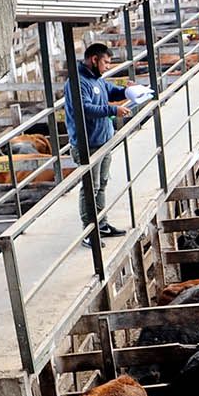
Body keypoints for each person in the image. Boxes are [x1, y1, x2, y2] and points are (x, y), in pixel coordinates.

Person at [64, 43, 130, 247]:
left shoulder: (97, 79)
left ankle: (101, 224)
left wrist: (129, 91)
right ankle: (89, 231)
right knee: (90, 188)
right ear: (94, 59)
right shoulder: (77, 82)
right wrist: (112, 110)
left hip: (103, 141)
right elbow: (84, 108)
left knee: (101, 184)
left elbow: (112, 91)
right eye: (105, 62)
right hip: (87, 145)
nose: (107, 67)